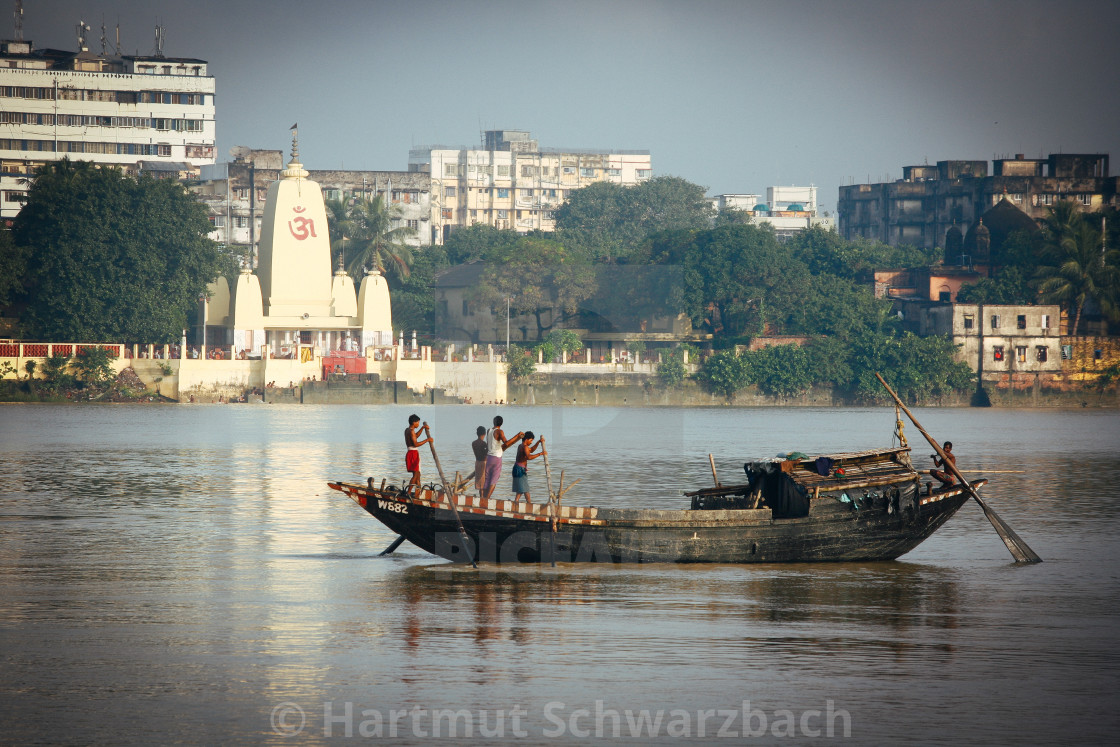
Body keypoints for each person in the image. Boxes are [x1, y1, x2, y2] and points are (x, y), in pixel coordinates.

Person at [482, 415, 523, 500]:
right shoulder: (500, 431)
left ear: (494, 422)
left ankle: (483, 498)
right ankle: (487, 499)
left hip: (489, 457)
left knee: (486, 479)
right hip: (496, 458)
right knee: (494, 480)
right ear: (501, 423)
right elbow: (506, 443)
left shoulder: (489, 430)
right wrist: (517, 436)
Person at [512, 431, 545, 503]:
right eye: (531, 440)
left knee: (521, 489)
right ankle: (529, 504)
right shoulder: (525, 447)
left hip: (517, 468)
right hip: (520, 469)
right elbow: (529, 457)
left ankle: (516, 501)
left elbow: (532, 450)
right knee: (525, 489)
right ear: (526, 439)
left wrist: (538, 442)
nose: (531, 442)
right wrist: (540, 454)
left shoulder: (521, 445)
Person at [404, 414, 432, 493]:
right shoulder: (411, 431)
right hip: (413, 453)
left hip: (410, 452)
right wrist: (427, 440)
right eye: (418, 423)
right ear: (414, 422)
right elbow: (416, 444)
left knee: (418, 475)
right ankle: (408, 493)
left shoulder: (407, 430)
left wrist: (422, 428)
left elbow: (415, 436)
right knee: (415, 475)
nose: (418, 424)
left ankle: (418, 492)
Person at [471, 426, 488, 494]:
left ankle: (481, 497)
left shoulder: (474, 443)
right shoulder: (483, 443)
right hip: (484, 463)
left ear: (477, 433)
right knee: (484, 484)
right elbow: (485, 453)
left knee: (480, 484)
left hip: (477, 462)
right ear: (484, 434)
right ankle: (483, 499)